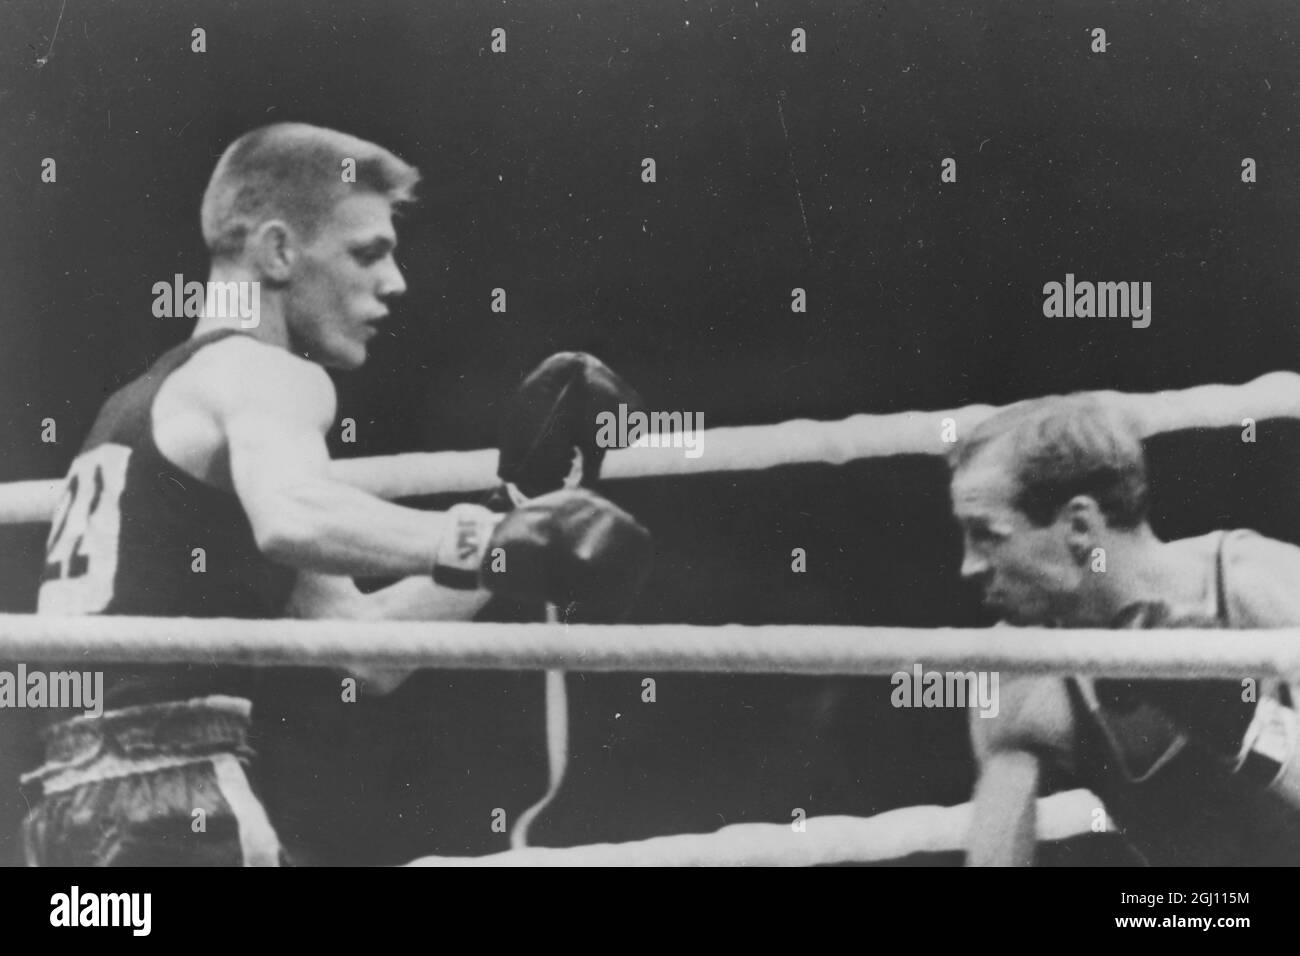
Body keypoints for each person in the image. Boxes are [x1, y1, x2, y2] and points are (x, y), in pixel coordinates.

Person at [22, 123, 651, 866]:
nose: (396, 282)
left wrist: (519, 505)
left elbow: (365, 649)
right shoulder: (267, 376)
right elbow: (291, 519)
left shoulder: (140, 406)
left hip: (66, 815)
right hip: (177, 802)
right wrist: (487, 545)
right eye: (368, 252)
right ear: (281, 251)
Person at [948, 393, 1300, 865]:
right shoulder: (1019, 675)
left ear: (1079, 525)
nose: (970, 566)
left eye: (987, 533)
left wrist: (1245, 726)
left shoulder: (1260, 587)